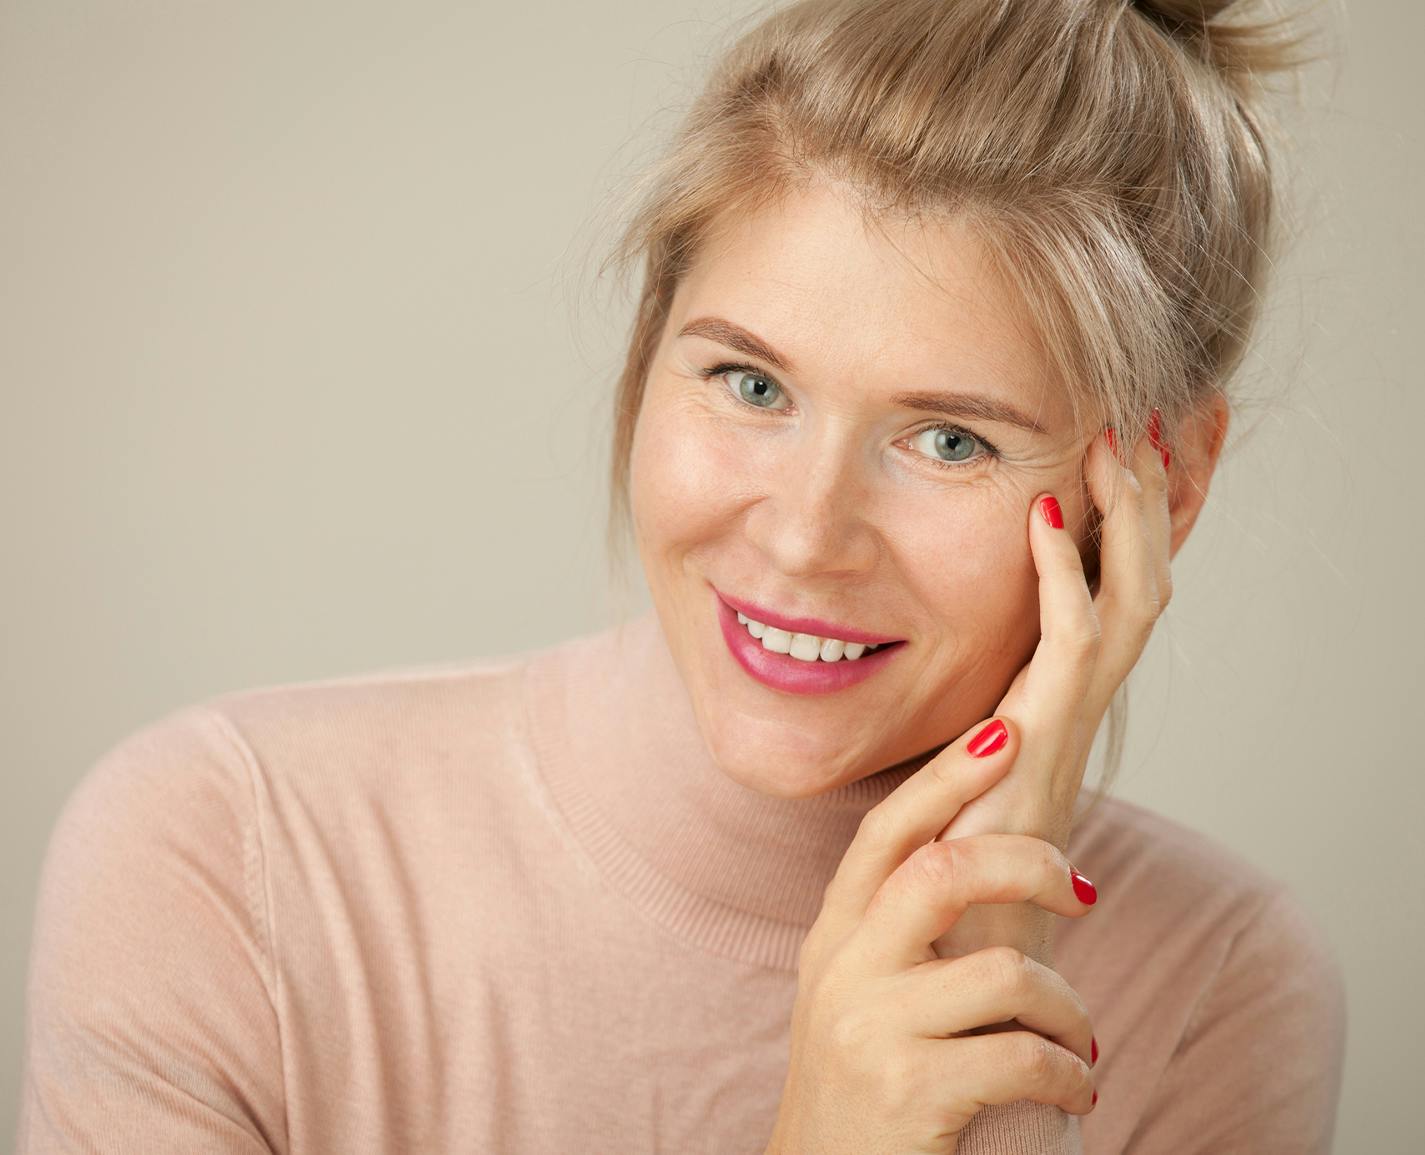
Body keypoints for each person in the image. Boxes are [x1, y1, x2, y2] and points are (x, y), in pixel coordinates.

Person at [15, 0, 1347, 1151]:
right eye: (749, 381)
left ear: (1163, 486)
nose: (803, 533)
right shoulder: (223, 854)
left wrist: (987, 981)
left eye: (949, 440)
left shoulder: (1215, 989)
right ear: (648, 351)